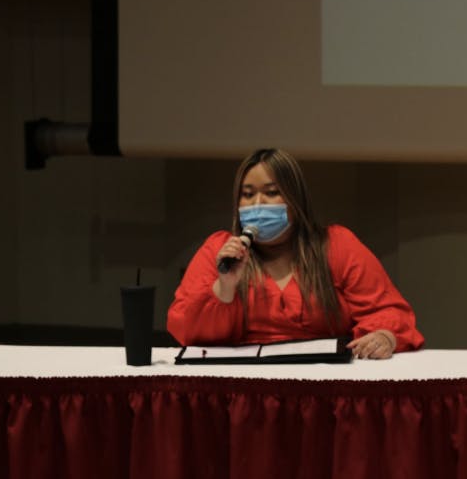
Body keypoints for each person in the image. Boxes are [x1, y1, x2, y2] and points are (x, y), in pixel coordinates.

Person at [167, 148, 424, 359]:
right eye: (247, 195)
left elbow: (389, 312)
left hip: (324, 384)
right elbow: (184, 329)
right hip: (242, 386)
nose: (258, 204)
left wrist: (384, 336)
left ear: (295, 199)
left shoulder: (336, 244)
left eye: (271, 192)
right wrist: (224, 288)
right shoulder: (218, 249)